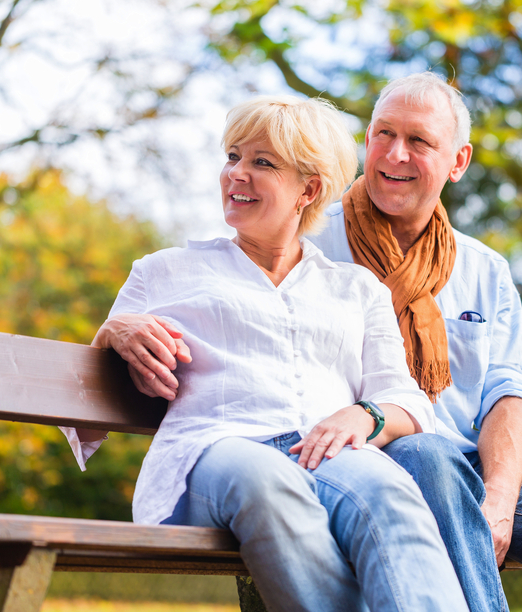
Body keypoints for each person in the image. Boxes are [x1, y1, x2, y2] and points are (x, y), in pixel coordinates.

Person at [61, 95, 469, 612]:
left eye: (262, 163)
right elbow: (86, 425)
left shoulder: (356, 289)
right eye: (233, 157)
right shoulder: (163, 272)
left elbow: (406, 401)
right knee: (268, 481)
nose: (237, 174)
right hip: (216, 455)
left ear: (310, 190)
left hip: (328, 455)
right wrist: (111, 332)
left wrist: (363, 413)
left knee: (392, 495)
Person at [309, 73, 522, 612]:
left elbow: (507, 394)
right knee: (427, 454)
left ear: (458, 161)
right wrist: (127, 325)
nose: (394, 153)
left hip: (465, 470)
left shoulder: (484, 271)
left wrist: (498, 499)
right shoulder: (310, 239)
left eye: (419, 141)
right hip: (361, 461)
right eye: (383, 133)